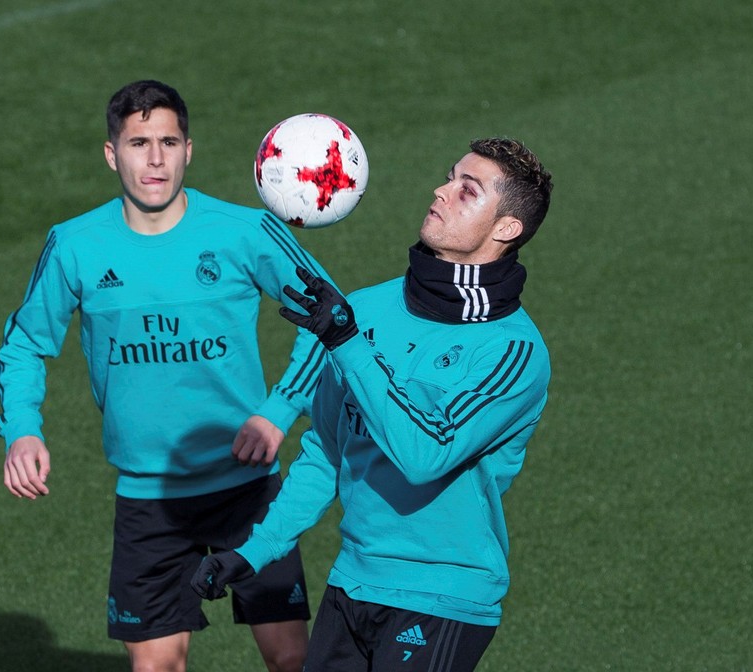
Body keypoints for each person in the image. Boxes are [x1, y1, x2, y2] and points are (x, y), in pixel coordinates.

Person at [0, 80, 327, 672]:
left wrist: (278, 413)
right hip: (149, 501)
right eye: (138, 142)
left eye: (168, 142)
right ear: (111, 153)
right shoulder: (74, 245)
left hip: (248, 489)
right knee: (157, 669)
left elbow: (332, 320)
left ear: (189, 150)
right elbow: (24, 341)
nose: (154, 158)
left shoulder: (244, 232)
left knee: (290, 660)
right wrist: (22, 428)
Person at [192, 137, 554, 671]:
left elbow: (425, 454)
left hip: (442, 599)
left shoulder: (512, 352)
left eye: (467, 190)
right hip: (353, 583)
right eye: (450, 176)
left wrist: (347, 344)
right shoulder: (366, 309)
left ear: (506, 229)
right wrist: (255, 552)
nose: (442, 190)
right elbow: (327, 449)